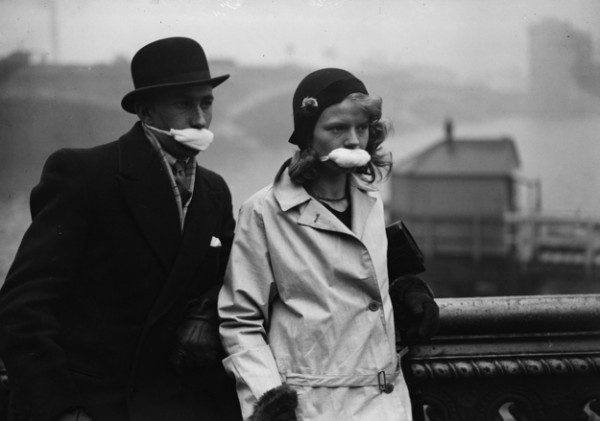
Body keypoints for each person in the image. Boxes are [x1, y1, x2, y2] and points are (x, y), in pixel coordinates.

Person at [0, 37, 241, 421]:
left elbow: (230, 282)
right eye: (183, 104)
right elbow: (24, 307)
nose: (199, 119)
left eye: (206, 103)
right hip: (101, 406)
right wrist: (62, 410)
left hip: (184, 404)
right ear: (145, 110)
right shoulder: (84, 174)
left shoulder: (214, 191)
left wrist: (206, 311)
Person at [219, 68, 438, 421]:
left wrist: (403, 289)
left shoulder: (370, 200)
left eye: (361, 128)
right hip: (312, 409)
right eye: (337, 128)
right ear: (308, 136)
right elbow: (240, 321)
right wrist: (270, 402)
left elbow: (360, 278)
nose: (353, 140)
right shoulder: (263, 211)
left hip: (387, 404)